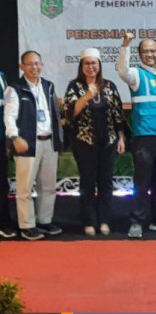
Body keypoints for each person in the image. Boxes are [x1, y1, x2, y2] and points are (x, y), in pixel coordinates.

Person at [118, 33, 156, 239]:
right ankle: (137, 221)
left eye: (153, 51)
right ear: (139, 53)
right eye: (145, 51)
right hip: (144, 137)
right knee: (142, 182)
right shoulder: (136, 74)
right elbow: (122, 70)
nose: (150, 54)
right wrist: (126, 45)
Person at [64, 48, 126, 236]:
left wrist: (121, 138)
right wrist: (86, 97)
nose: (91, 67)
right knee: (88, 183)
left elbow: (118, 114)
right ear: (81, 66)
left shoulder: (109, 86)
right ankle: (89, 221)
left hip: (108, 142)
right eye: (87, 63)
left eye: (94, 63)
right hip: (85, 143)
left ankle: (105, 220)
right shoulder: (75, 86)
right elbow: (70, 114)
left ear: (99, 66)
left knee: (106, 183)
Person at [3, 51, 63, 240]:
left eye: (37, 64)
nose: (34, 68)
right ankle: (27, 225)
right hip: (27, 143)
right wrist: (14, 137)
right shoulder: (14, 89)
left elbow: (55, 113)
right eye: (29, 64)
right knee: (25, 188)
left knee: (48, 186)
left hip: (49, 142)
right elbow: (9, 116)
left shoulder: (49, 86)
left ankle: (44, 221)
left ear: (42, 65)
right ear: (22, 67)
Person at [0, 70, 16, 238]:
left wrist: (9, 138)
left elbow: (8, 106)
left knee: (2, 182)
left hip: (1, 136)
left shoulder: (2, 75)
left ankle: (4, 222)